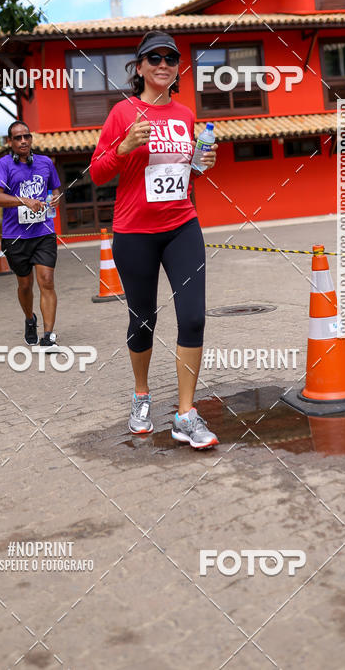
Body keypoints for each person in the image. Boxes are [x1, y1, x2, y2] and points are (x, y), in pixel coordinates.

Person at [90, 30, 219, 449]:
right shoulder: (122, 113)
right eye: (154, 58)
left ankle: (185, 413)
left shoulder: (185, 115)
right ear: (140, 66)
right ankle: (141, 396)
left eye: (170, 58)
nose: (163, 64)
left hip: (182, 225)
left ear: (177, 68)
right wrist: (124, 146)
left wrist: (202, 164)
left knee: (194, 317)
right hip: (134, 233)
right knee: (143, 319)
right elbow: (97, 173)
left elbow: (185, 175)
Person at [0, 120, 62, 348]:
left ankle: (48, 335)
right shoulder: (2, 165)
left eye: (26, 136)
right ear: (10, 142)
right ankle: (30, 319)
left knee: (47, 281)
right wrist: (24, 200)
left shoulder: (45, 163)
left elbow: (55, 188)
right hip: (16, 236)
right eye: (18, 138)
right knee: (25, 285)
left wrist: (55, 198)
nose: (23, 141)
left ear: (31, 139)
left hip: (43, 232)